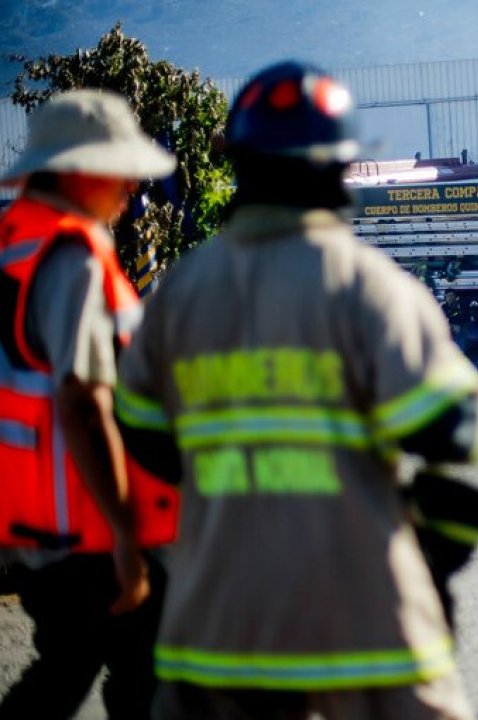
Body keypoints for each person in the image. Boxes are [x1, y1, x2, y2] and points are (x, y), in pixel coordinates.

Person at [112, 61, 478, 719]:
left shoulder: (179, 294)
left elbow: (143, 439)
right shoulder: (372, 288)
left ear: (240, 165)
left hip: (218, 630)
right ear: (338, 168)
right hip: (364, 624)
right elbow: (453, 436)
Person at [0, 89, 178, 718]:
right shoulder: (72, 257)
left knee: (78, 665)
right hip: (88, 528)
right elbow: (82, 402)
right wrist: (127, 537)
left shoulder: (15, 243)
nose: (132, 187)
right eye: (119, 169)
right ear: (78, 171)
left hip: (37, 521)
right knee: (135, 669)